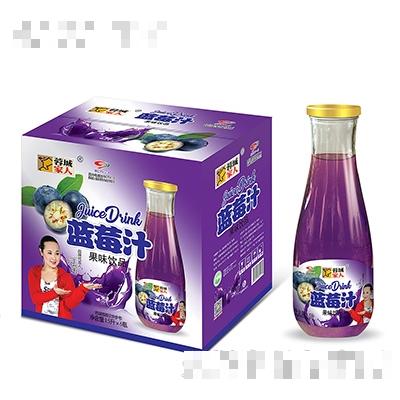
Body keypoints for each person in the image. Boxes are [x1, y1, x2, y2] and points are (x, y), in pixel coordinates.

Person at [28, 235, 102, 320]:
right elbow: (35, 299)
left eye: (57, 253)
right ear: (41, 251)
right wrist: (55, 292)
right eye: (49, 253)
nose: (54, 257)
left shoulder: (65, 276)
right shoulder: (34, 272)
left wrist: (83, 289)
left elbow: (69, 304)